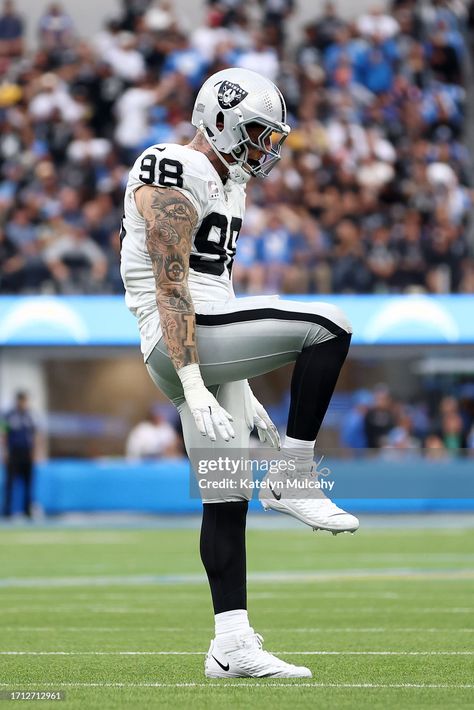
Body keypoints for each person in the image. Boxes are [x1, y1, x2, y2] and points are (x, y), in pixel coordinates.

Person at [120, 67, 358, 679]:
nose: (265, 147)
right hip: (179, 341)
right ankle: (293, 476)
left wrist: (242, 390)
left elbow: (217, 293)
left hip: (210, 342)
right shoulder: (173, 166)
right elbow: (173, 285)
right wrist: (195, 380)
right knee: (326, 324)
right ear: (220, 122)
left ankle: (231, 645)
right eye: (257, 132)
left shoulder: (232, 186)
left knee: (226, 497)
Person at [1, 392, 38, 518]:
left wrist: (34, 452)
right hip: (14, 452)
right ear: (17, 401)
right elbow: (3, 434)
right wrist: (4, 451)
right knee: (10, 482)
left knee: (29, 483)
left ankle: (27, 510)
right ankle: (7, 511)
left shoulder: (29, 416)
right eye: (22, 401)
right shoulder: (8, 416)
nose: (23, 404)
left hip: (26, 452)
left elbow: (34, 435)